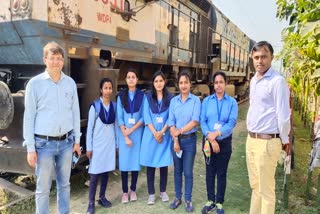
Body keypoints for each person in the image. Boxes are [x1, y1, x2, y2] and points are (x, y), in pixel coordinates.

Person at [23, 41, 81, 214]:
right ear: (45, 60)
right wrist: (30, 148)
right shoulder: (35, 84)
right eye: (52, 58)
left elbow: (75, 113)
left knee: (65, 184)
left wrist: (77, 141)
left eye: (59, 58)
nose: (56, 62)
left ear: (63, 61)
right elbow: (29, 116)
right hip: (44, 145)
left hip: (66, 143)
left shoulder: (70, 83)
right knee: (43, 188)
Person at [246, 41, 290, 214]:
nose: (260, 61)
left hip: (267, 142)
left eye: (264, 57)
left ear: (272, 57)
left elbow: (283, 115)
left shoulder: (277, 82)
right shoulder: (254, 80)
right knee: (255, 187)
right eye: (256, 57)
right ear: (252, 58)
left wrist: (285, 141)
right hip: (252, 140)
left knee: (266, 191)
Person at [200, 71, 238, 214]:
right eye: (216, 82)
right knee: (210, 172)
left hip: (224, 142)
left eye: (221, 82)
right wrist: (211, 138)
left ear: (225, 84)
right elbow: (203, 121)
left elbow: (231, 123)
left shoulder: (232, 103)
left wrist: (216, 134)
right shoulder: (207, 101)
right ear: (213, 84)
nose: (218, 85)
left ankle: (219, 202)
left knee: (221, 173)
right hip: (208, 142)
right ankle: (210, 201)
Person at [167, 70, 201, 212]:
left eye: (186, 82)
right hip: (176, 141)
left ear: (190, 84)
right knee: (177, 171)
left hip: (189, 141)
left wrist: (180, 131)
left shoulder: (195, 101)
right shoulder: (174, 101)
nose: (183, 85)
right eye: (181, 83)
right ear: (178, 85)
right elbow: (171, 122)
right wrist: (175, 140)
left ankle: (188, 199)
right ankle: (177, 198)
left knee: (187, 172)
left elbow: (195, 121)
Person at [140, 71, 173, 205]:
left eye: (161, 81)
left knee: (163, 164)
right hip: (151, 135)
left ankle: (163, 191)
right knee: (151, 165)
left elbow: (171, 117)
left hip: (164, 136)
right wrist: (155, 133)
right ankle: (151, 194)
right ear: (153, 83)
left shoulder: (170, 98)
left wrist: (162, 132)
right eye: (156, 81)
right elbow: (146, 117)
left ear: (164, 82)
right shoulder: (147, 97)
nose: (158, 83)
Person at [85, 78, 116, 214]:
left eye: (110, 88)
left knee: (105, 171)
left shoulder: (114, 106)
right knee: (94, 174)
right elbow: (89, 128)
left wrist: (116, 146)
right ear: (101, 90)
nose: (108, 91)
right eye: (105, 88)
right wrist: (89, 147)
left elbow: (116, 128)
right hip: (97, 146)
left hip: (109, 145)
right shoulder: (95, 107)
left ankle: (102, 197)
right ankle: (91, 203)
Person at [117, 68, 144, 203]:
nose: (131, 79)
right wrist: (125, 134)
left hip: (136, 133)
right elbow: (119, 117)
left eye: (133, 77)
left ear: (137, 80)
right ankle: (124, 192)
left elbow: (143, 117)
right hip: (124, 134)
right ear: (126, 80)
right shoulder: (121, 95)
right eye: (129, 77)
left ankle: (133, 190)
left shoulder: (142, 96)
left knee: (134, 163)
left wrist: (131, 130)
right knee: (124, 163)